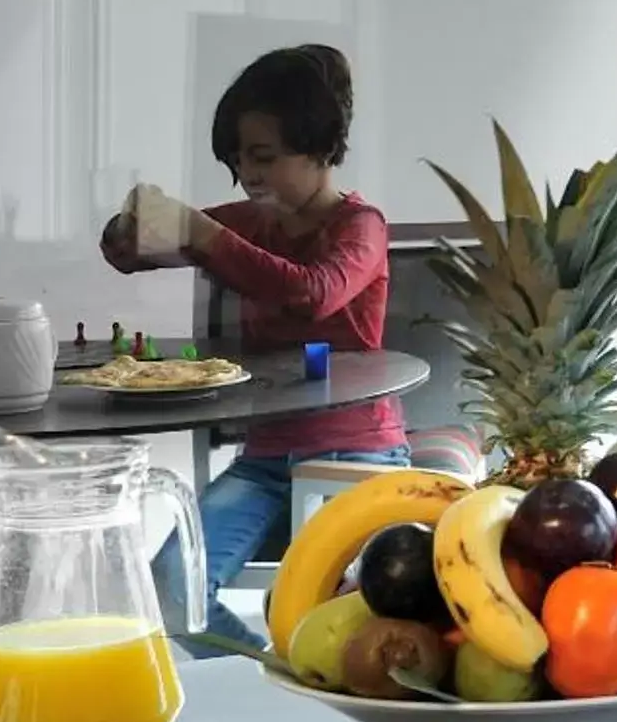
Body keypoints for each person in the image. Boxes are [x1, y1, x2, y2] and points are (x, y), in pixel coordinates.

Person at [99, 44, 405, 644]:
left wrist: (205, 234)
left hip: (355, 451)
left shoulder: (359, 227)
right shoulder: (248, 222)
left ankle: (304, 692)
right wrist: (130, 222)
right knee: (169, 590)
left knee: (330, 614)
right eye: (238, 160)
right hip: (266, 458)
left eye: (263, 156)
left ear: (318, 147)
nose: (249, 174)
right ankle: (272, 685)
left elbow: (314, 293)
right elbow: (123, 256)